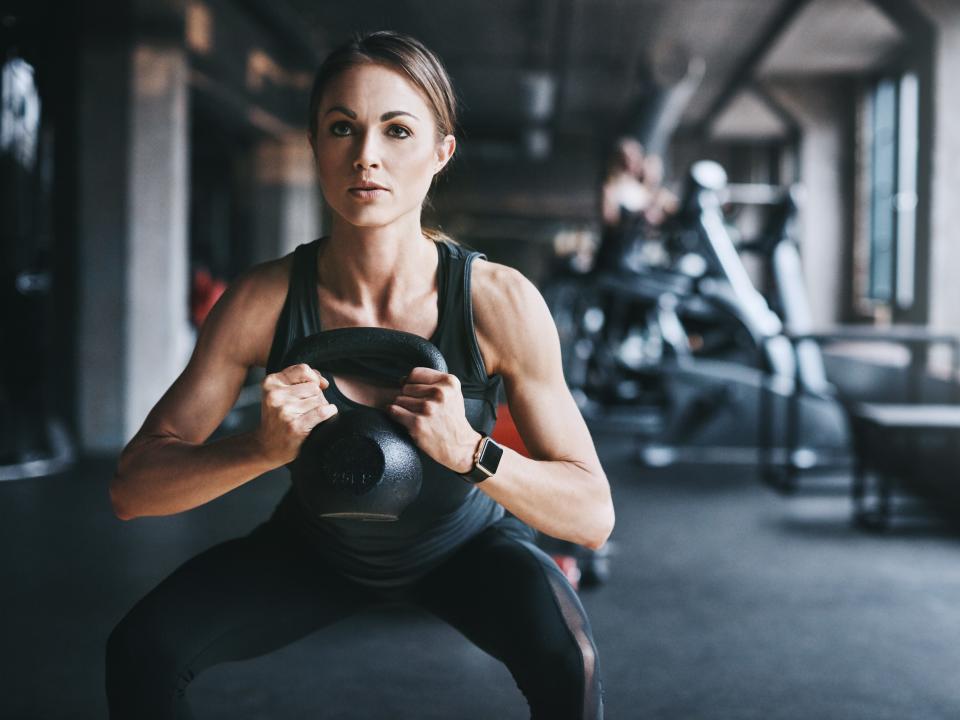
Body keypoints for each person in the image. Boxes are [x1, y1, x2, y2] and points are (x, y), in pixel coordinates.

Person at [105, 31, 614, 719]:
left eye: (397, 130)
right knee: (143, 650)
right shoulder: (264, 301)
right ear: (317, 146)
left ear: (441, 151)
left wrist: (471, 451)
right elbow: (133, 490)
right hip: (315, 548)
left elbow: (592, 517)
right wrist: (258, 448)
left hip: (466, 547)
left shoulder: (498, 302)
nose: (366, 155)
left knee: (568, 660)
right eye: (341, 128)